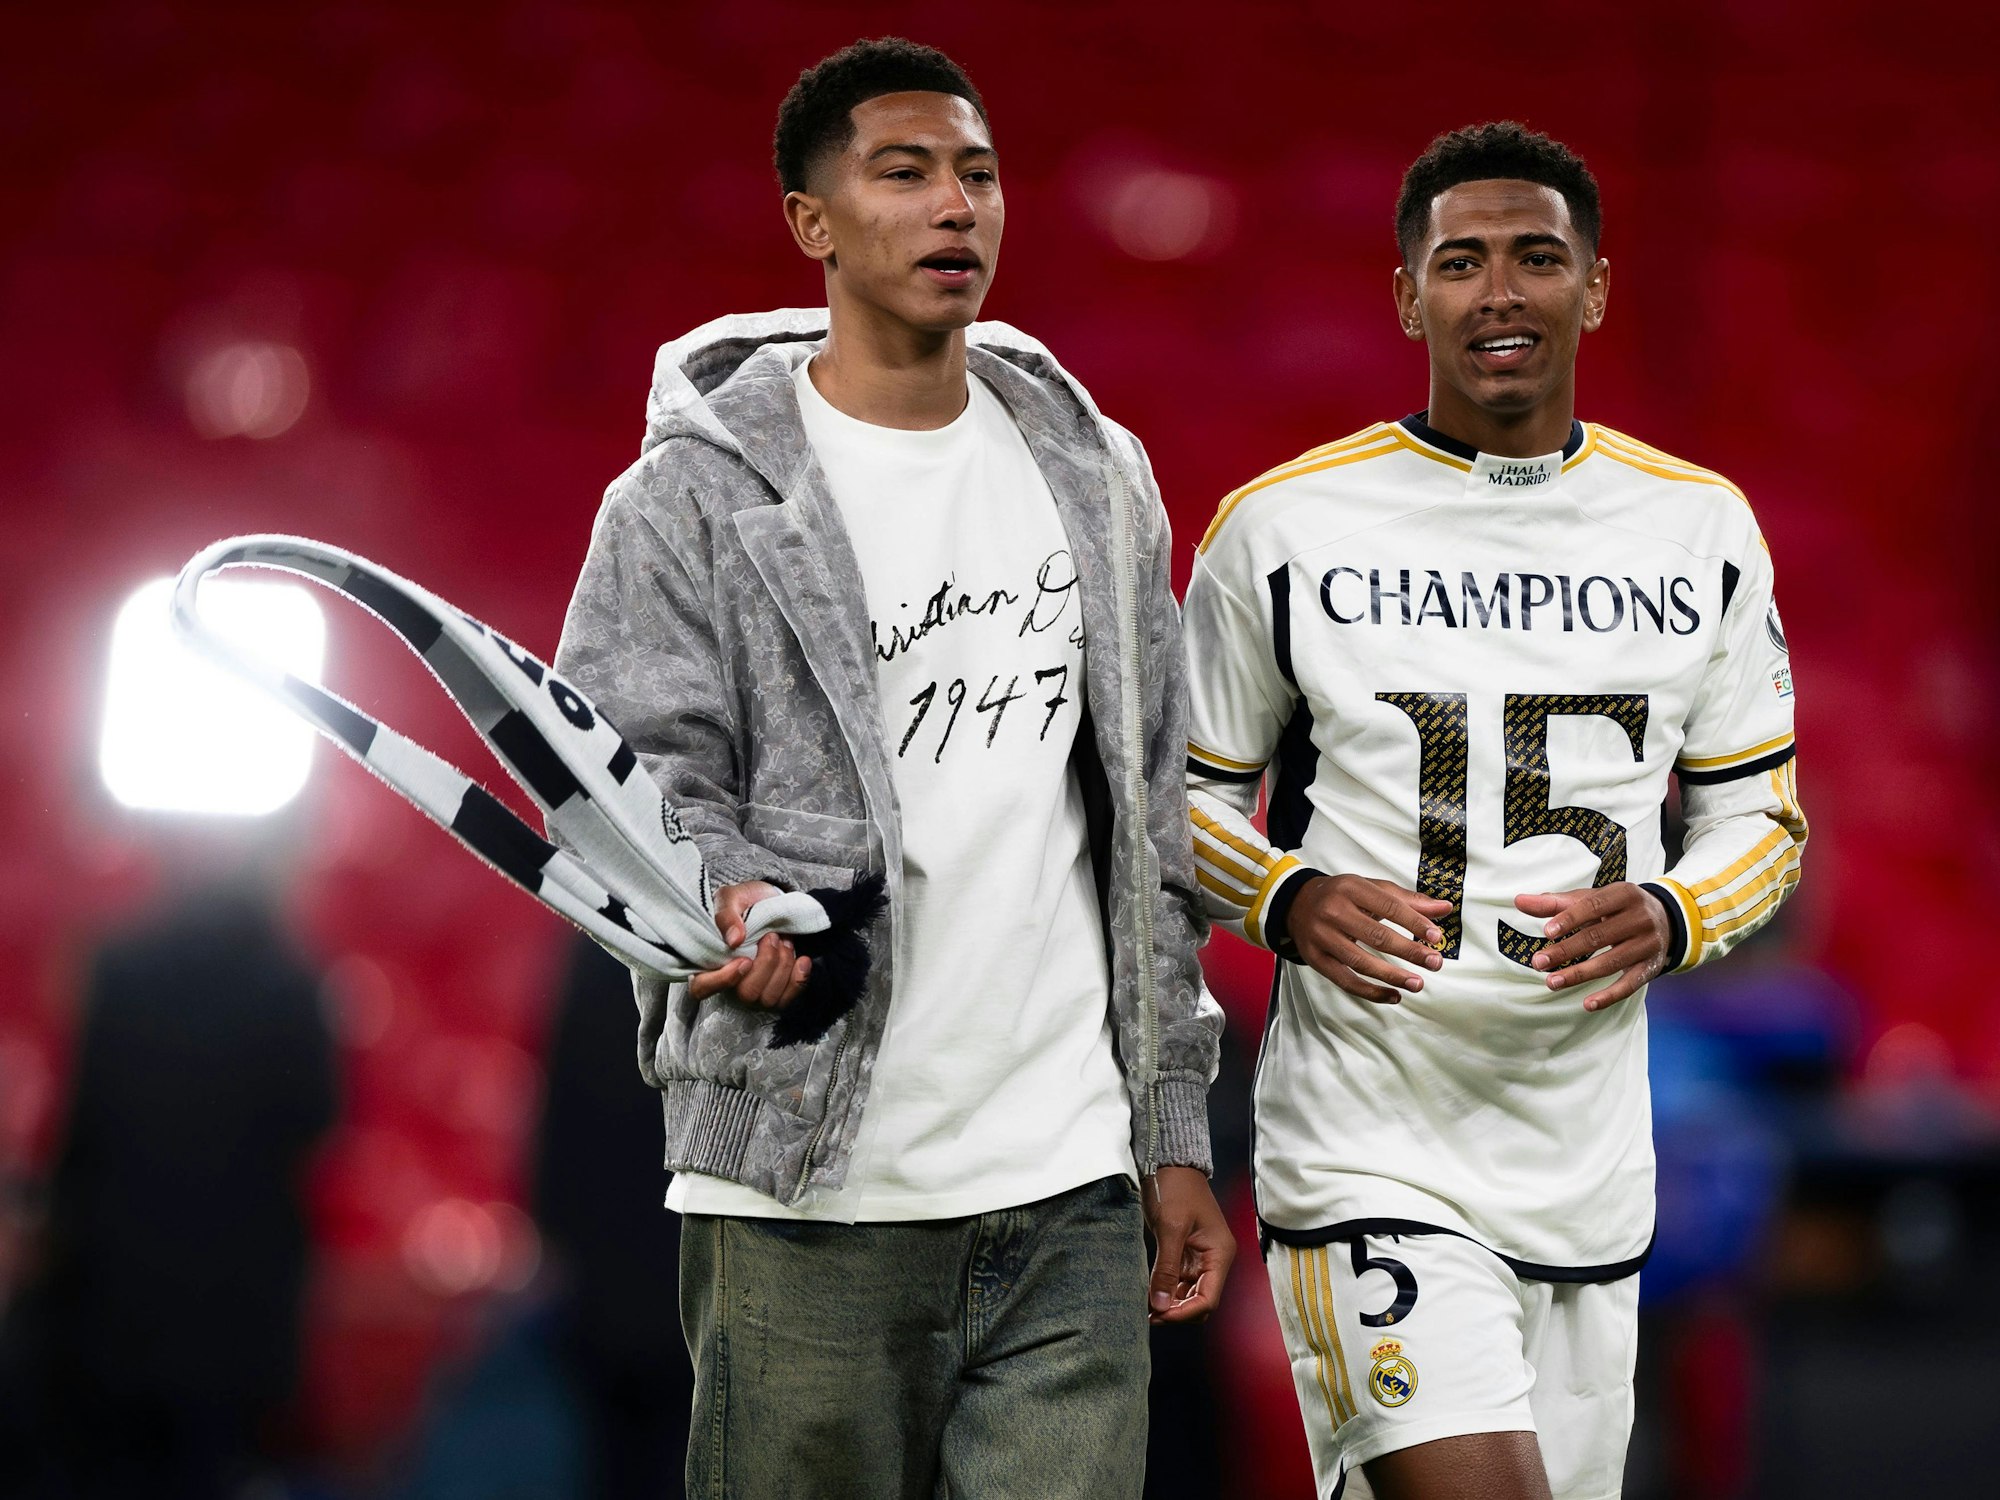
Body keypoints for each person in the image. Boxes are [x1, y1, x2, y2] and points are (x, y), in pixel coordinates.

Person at [552, 37, 1233, 1500]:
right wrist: (724, 899)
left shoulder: (1099, 478)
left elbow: (1152, 834)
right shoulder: (692, 494)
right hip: (806, 1180)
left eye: (978, 175)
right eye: (906, 172)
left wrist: (1174, 1129)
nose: (955, 208)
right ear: (811, 221)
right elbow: (635, 780)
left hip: (1067, 1183)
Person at [1181, 122, 1806, 1500]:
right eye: (1461, 262)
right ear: (1410, 296)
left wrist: (1673, 907)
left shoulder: (1698, 530)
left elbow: (1767, 819)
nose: (1499, 292)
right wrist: (1287, 893)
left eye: (1538, 257)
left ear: (1595, 286)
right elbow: (1183, 805)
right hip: (1366, 1148)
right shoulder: (1284, 530)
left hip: (1586, 1164)